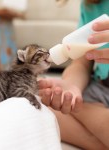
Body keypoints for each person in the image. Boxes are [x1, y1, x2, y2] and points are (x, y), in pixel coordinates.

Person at [39, 0, 109, 149]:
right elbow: (81, 63)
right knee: (39, 109)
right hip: (100, 88)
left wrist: (79, 109)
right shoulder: (89, 5)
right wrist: (71, 84)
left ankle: (85, 114)